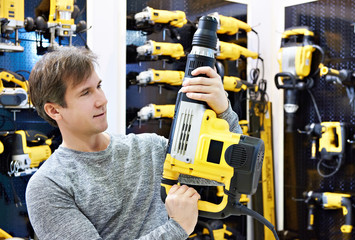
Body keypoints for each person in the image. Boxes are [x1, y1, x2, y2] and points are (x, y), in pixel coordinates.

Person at [25, 46, 241, 240]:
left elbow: (236, 170)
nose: (102, 100)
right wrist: (177, 229)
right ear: (54, 110)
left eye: (98, 86)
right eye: (85, 93)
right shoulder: (48, 186)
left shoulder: (151, 149)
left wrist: (223, 110)